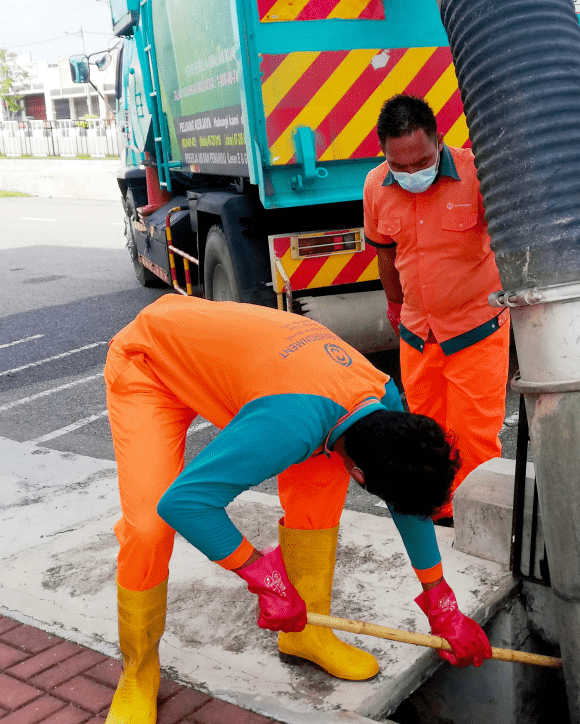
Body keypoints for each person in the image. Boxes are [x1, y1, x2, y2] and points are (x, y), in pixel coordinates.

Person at [104, 295, 491, 724]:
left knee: (318, 497)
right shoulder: (289, 425)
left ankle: (306, 635)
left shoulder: (382, 396)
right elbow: (184, 503)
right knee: (149, 529)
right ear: (361, 475)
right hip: (150, 362)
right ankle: (138, 669)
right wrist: (266, 578)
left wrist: (441, 600)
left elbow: (408, 500)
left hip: (249, 367)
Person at [362, 94, 510, 525]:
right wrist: (394, 306)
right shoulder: (375, 185)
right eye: (399, 166)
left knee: (475, 438)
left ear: (439, 140)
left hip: (475, 330)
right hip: (417, 334)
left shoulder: (476, 174)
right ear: (384, 154)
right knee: (425, 435)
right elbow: (385, 252)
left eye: (421, 161)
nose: (411, 173)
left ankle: (480, 524)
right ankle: (440, 518)